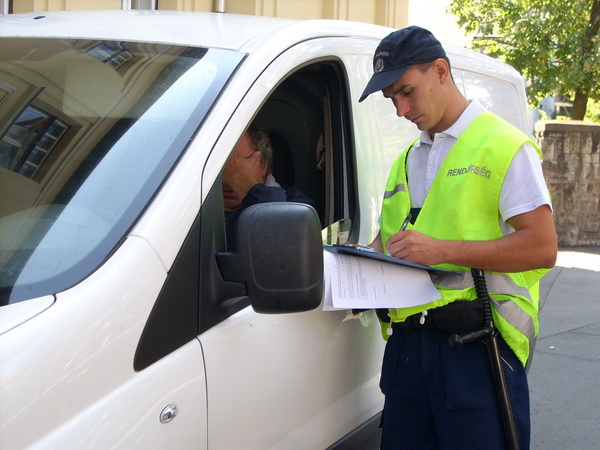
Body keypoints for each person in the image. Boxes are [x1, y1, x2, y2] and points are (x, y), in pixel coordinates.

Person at [359, 26, 557, 449]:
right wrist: (352, 261)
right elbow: (390, 240)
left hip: (476, 350)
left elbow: (542, 246)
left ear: (441, 71)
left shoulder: (504, 146)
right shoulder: (409, 158)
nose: (400, 109)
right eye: (391, 98)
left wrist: (442, 251)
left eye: (407, 91)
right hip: (408, 351)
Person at [222, 124, 315, 249]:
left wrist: (243, 181)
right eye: (222, 168)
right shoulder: (193, 205)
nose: (229, 177)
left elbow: (285, 244)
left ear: (263, 165)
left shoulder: (296, 206)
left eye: (239, 165)